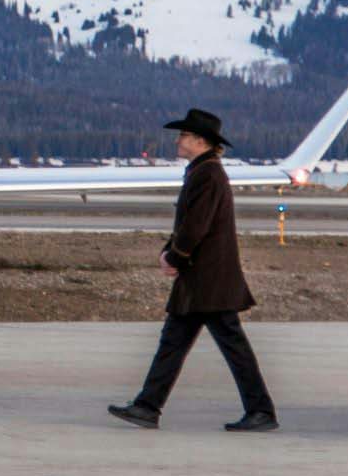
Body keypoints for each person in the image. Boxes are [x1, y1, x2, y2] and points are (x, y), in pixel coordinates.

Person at [108, 107, 278, 432]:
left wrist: (174, 256)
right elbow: (188, 224)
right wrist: (170, 252)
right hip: (201, 280)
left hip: (208, 281)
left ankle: (261, 410)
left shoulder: (209, 174)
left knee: (231, 346)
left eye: (184, 135)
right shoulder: (202, 171)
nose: (179, 139)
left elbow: (196, 226)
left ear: (200, 141)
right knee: (174, 342)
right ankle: (147, 406)